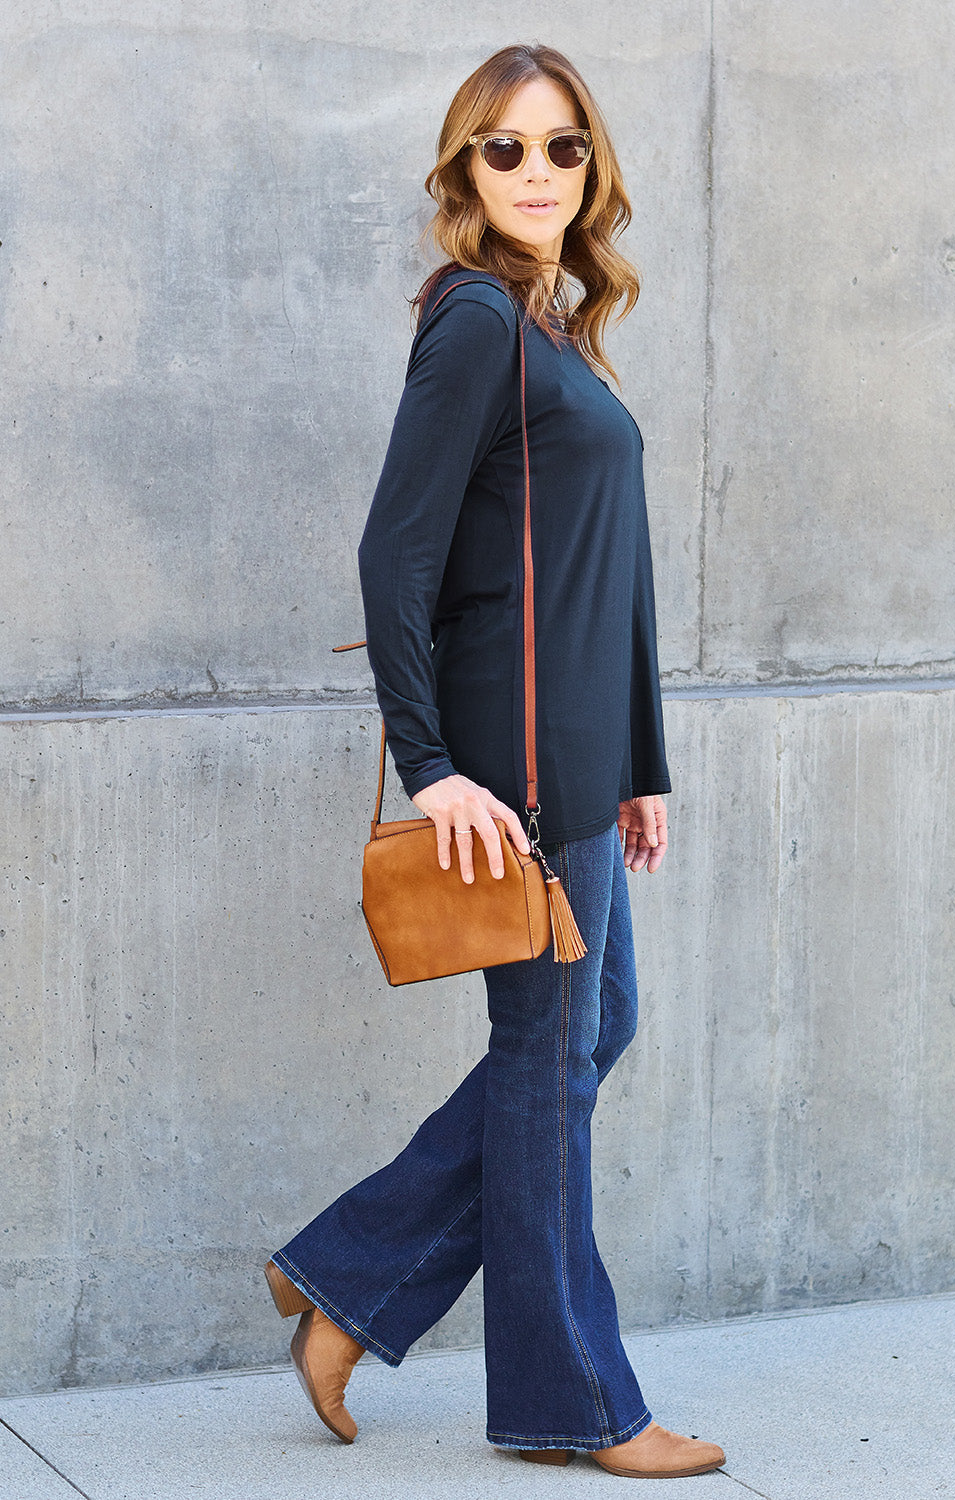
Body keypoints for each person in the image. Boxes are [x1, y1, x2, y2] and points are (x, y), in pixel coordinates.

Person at [263, 43, 726, 1480]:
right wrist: (433, 765)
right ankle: (574, 1405)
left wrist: (643, 756)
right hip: (517, 767)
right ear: (465, 170)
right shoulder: (473, 321)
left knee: (588, 1037)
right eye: (505, 149)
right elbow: (394, 554)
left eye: (563, 147)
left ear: (593, 167)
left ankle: (345, 1278)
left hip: (585, 755)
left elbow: (609, 570)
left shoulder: (553, 323)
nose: (536, 173)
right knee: (546, 1065)